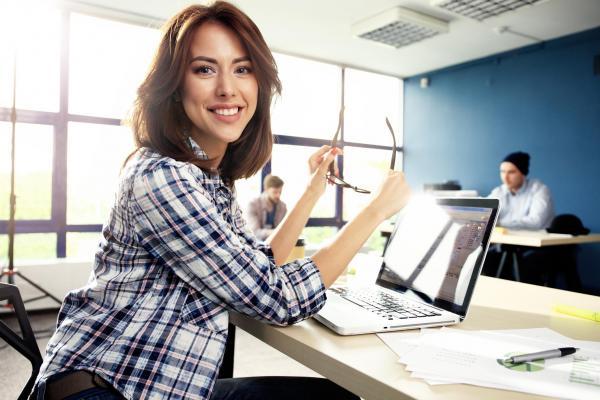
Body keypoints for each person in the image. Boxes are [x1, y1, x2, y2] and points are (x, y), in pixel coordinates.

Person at [31, 2, 411, 400]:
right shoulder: (161, 177)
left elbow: (260, 267)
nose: (228, 88)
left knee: (333, 396)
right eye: (204, 69)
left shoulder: (209, 179)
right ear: (174, 87)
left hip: (159, 385)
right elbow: (278, 298)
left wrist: (313, 190)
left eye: (242, 69)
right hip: (107, 390)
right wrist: (375, 211)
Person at [488, 151, 554, 230]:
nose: (505, 177)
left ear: (523, 174)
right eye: (502, 171)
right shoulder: (499, 191)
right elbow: (485, 213)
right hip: (506, 236)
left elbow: (536, 222)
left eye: (511, 172)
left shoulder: (539, 190)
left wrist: (498, 223)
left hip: (534, 237)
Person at [247, 174, 287, 240]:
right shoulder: (253, 205)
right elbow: (255, 233)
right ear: (266, 189)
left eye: (280, 192)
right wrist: (275, 232)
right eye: (275, 192)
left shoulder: (283, 207)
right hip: (256, 244)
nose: (278, 195)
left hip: (276, 243)